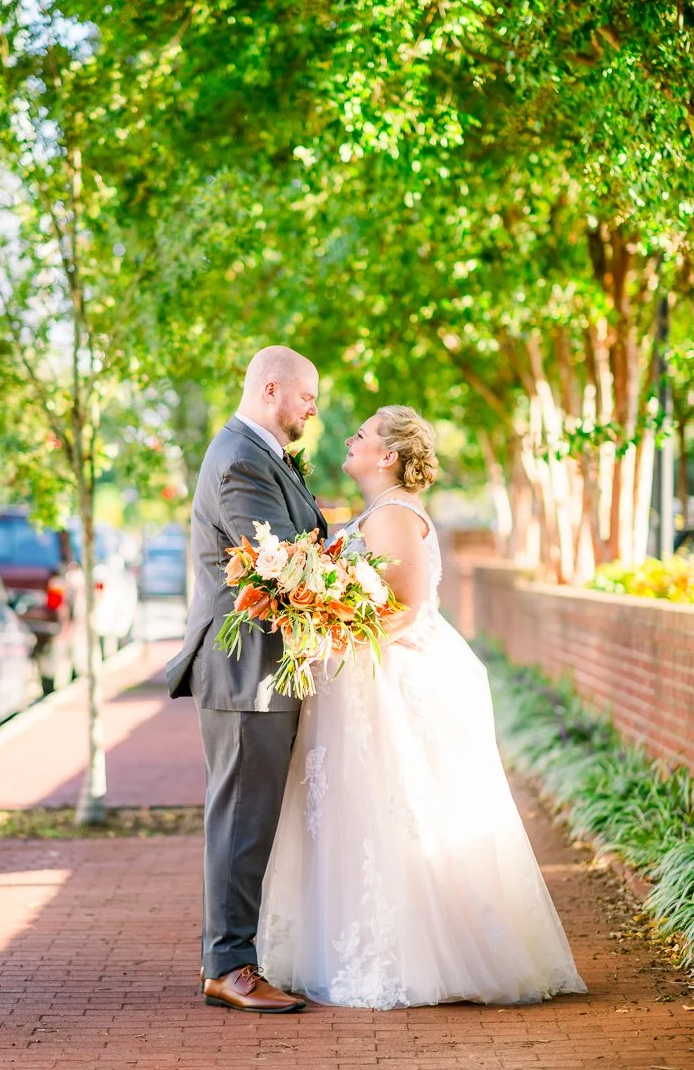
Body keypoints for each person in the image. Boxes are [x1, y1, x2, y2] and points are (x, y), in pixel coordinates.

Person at [257, 405, 587, 1009]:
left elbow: (404, 608)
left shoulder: (394, 517)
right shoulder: (377, 514)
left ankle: (413, 955)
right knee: (360, 812)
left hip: (389, 679)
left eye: (361, 435)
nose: (349, 440)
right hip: (362, 674)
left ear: (387, 456)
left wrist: (332, 637)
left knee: (394, 808)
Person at [166, 346, 328, 1013]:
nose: (313, 410)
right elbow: (283, 562)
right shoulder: (238, 459)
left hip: (263, 666)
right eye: (307, 397)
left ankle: (237, 957)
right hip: (246, 667)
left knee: (252, 816)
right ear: (271, 390)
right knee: (241, 818)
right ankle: (228, 967)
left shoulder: (256, 453)